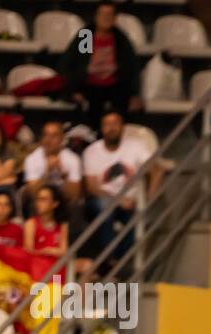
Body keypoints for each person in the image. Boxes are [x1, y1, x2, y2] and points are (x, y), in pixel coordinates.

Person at [82, 110, 163, 267]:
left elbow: (157, 170)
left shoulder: (136, 146)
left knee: (140, 218)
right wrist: (118, 200)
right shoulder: (91, 151)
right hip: (102, 201)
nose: (111, 128)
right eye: (107, 124)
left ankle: (116, 262)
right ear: (102, 128)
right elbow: (91, 187)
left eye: (115, 124)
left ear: (122, 127)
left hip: (131, 203)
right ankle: (111, 261)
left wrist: (148, 199)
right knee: (104, 207)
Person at [57, 0, 141, 123]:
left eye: (110, 15)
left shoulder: (120, 38)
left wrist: (134, 94)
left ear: (114, 18)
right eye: (103, 15)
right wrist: (74, 89)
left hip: (114, 85)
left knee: (124, 105)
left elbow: (131, 68)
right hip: (90, 85)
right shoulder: (87, 36)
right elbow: (75, 64)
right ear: (96, 16)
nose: (106, 18)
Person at [21, 120, 82, 208]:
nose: (48, 140)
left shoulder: (73, 159)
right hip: (40, 201)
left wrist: (62, 175)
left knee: (77, 205)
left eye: (54, 136)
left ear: (62, 139)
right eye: (46, 135)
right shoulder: (32, 159)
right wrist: (47, 173)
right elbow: (32, 194)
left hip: (63, 200)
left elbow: (74, 195)